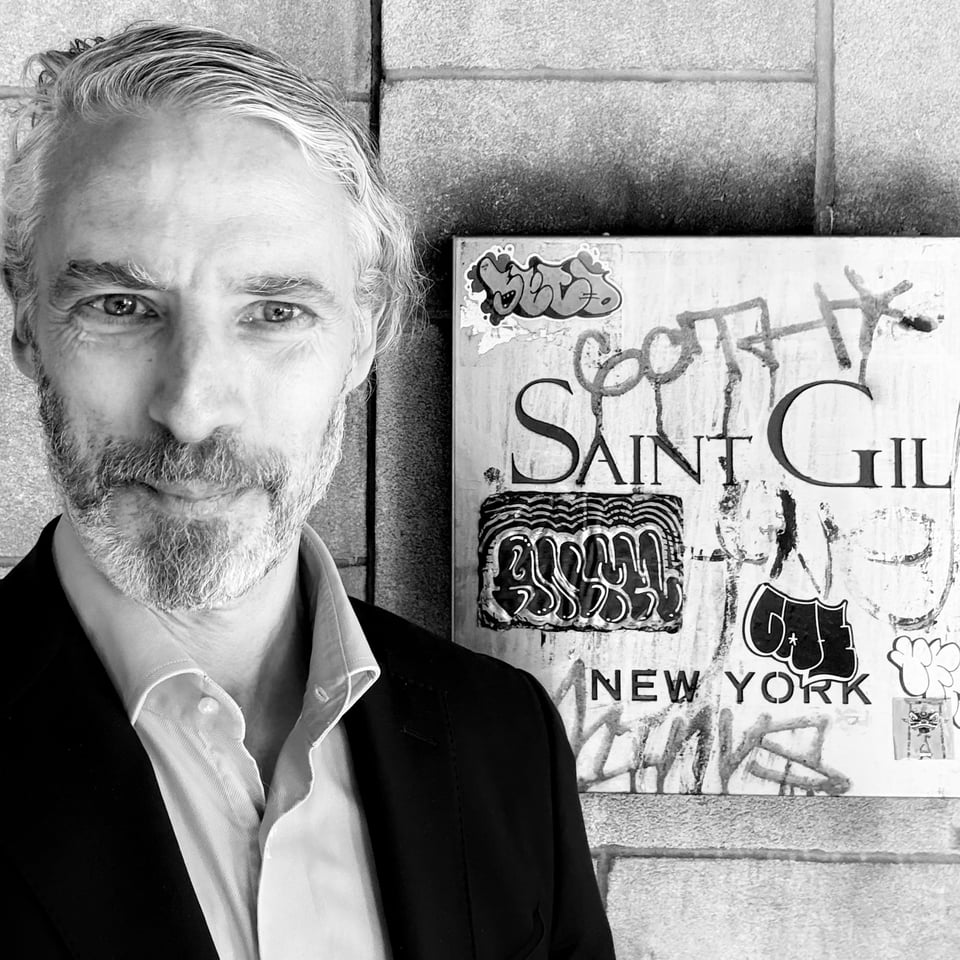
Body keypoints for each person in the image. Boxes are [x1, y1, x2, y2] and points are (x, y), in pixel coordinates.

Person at [0, 22, 615, 960]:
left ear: (365, 337)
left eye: (275, 313)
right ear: (26, 329)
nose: (192, 407)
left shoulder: (505, 744)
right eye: (119, 307)